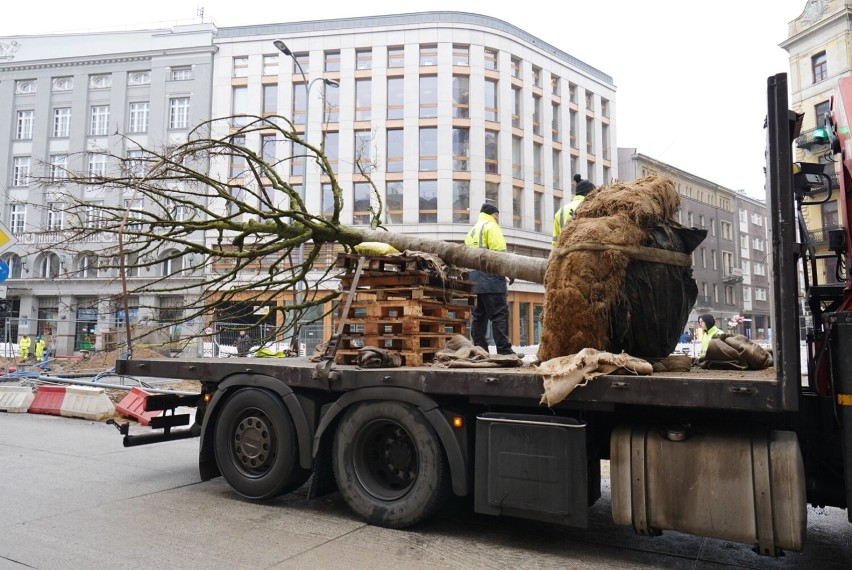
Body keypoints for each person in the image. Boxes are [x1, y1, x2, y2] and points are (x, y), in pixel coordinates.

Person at [464, 203, 514, 356]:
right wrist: (509, 271)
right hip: (491, 278)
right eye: (497, 215)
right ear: (494, 214)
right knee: (499, 315)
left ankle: (480, 351)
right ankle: (504, 352)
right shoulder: (491, 227)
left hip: (474, 280)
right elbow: (500, 254)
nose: (498, 218)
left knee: (479, 317)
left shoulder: (472, 230)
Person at [552, 174, 596, 245]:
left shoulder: (561, 211)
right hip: (585, 252)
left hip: (565, 252)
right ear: (589, 193)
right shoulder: (592, 207)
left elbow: (555, 242)